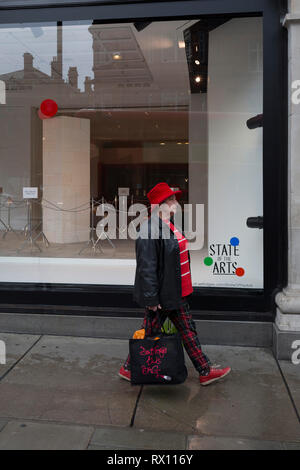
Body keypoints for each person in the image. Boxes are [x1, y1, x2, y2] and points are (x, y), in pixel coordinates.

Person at [118, 182, 231, 386]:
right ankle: (203, 370)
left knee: (184, 331)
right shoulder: (149, 229)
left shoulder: (169, 224)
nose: (175, 203)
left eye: (174, 199)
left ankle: (204, 370)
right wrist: (152, 299)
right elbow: (147, 267)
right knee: (154, 333)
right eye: (170, 200)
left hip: (176, 291)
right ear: (159, 204)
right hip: (164, 295)